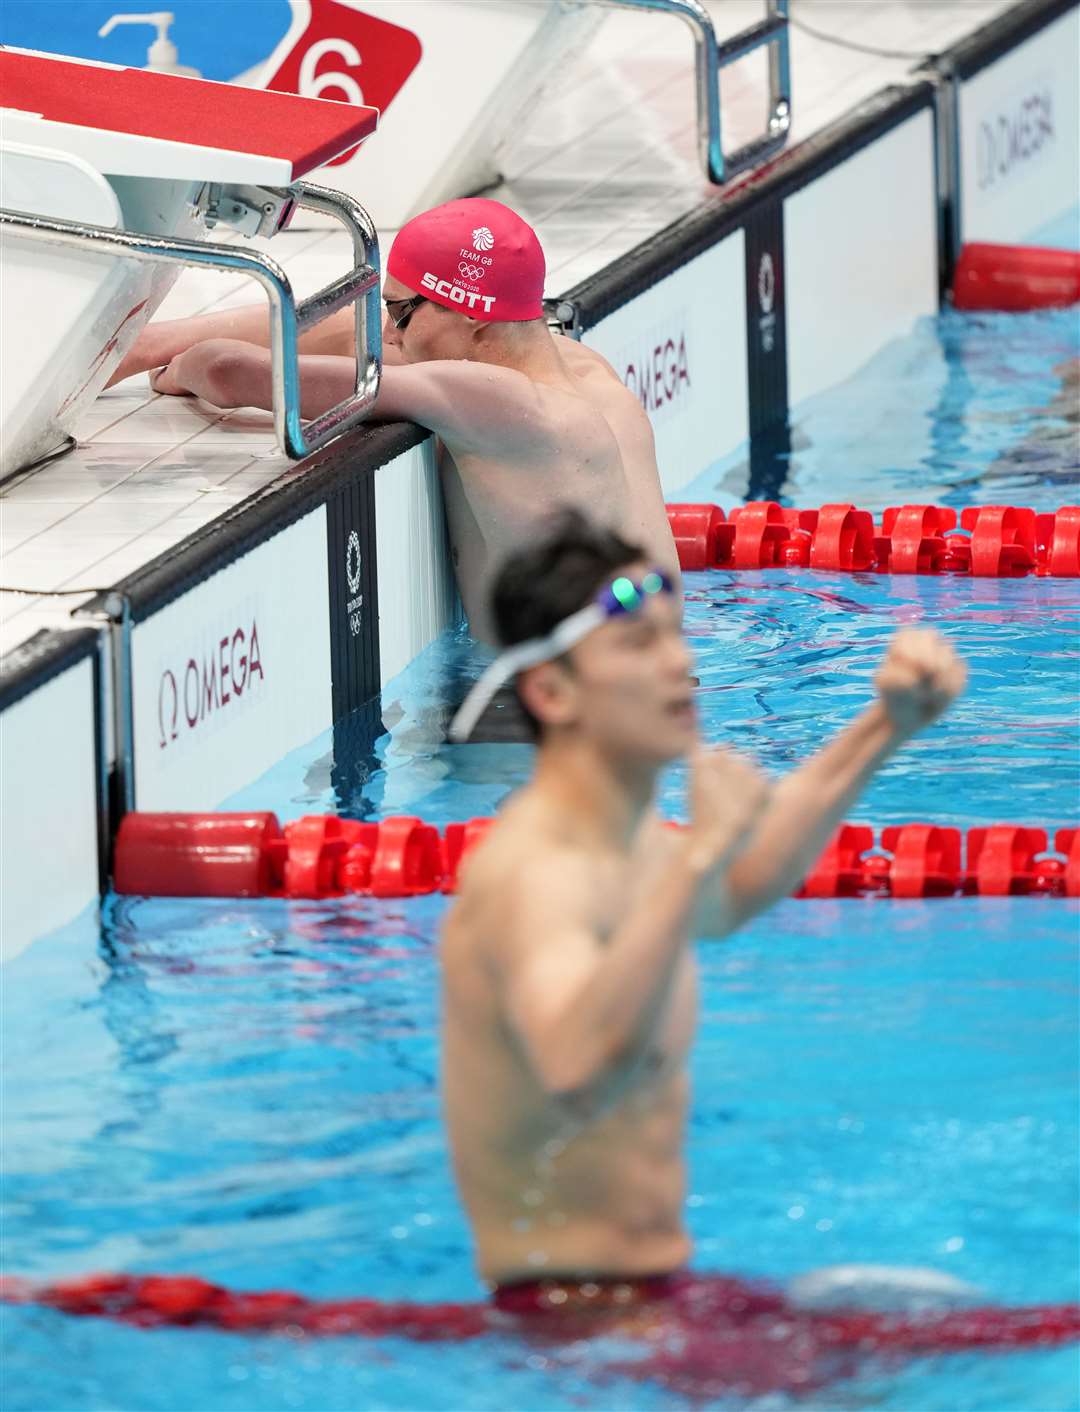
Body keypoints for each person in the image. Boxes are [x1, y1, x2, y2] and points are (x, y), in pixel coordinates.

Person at [439, 508, 969, 1318]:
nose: (680, 664)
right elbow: (577, 1064)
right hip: (579, 1332)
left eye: (674, 634)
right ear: (551, 691)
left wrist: (882, 730)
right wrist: (698, 856)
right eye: (637, 645)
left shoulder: (627, 840)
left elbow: (733, 891)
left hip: (644, 1306)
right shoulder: (537, 875)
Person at [108, 198, 678, 643]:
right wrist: (153, 339)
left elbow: (234, 373)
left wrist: (172, 363)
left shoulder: (497, 399)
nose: (391, 331)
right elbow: (362, 333)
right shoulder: (582, 369)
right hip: (650, 676)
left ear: (473, 320)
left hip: (568, 726)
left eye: (402, 311)